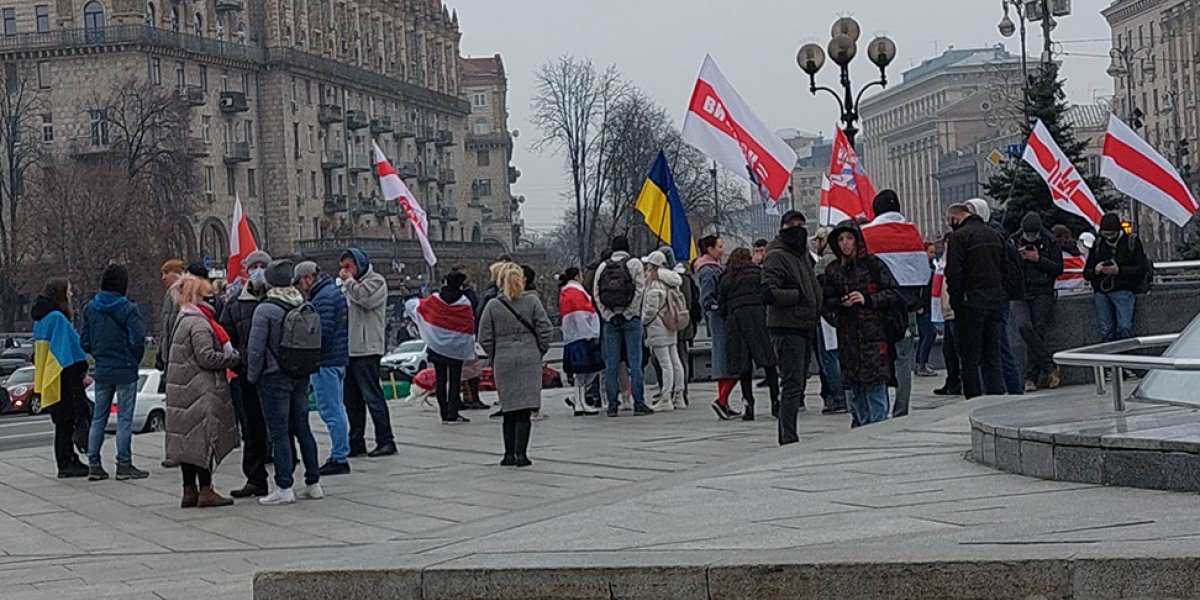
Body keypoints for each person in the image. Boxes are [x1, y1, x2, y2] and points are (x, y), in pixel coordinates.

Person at [247, 259, 323, 506]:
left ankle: (284, 486)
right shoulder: (302, 302)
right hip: (300, 374)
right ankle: (313, 483)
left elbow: (256, 349)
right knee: (303, 429)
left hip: (273, 376)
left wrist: (252, 376)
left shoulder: (265, 309)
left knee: (279, 432)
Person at [164, 276, 241, 508]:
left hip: (183, 390)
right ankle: (206, 489)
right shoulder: (199, 323)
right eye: (209, 296)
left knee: (187, 441)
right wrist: (233, 358)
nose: (214, 301)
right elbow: (206, 356)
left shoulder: (182, 318)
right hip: (200, 388)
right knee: (203, 440)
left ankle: (189, 490)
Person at [821, 222, 902, 426]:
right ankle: (861, 429)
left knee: (875, 390)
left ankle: (880, 431)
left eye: (849, 238)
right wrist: (840, 306)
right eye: (840, 239)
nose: (845, 243)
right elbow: (825, 302)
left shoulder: (872, 264)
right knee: (856, 393)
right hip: (848, 337)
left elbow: (893, 292)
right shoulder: (833, 270)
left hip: (873, 336)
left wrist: (867, 299)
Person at [478, 263, 554, 467]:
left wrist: (495, 354)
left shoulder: (493, 306)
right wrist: (538, 349)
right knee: (525, 409)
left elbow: (484, 336)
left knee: (509, 408)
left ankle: (508, 454)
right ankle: (522, 454)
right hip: (529, 357)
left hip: (503, 358)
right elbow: (546, 329)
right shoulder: (532, 302)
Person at [865, 190, 930, 419]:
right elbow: (924, 270)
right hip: (907, 307)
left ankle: (880, 406)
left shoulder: (867, 233)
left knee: (879, 356)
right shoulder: (912, 231)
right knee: (904, 359)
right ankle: (901, 408)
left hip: (878, 307)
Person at [81, 264, 148, 481]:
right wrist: (132, 358)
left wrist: (99, 354)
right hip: (125, 368)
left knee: (99, 418)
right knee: (124, 419)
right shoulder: (128, 309)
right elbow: (138, 339)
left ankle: (94, 463)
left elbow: (85, 342)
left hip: (102, 368)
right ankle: (124, 464)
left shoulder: (90, 308)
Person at [763, 210, 822, 445]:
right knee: (791, 383)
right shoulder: (776, 255)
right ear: (783, 227)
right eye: (792, 225)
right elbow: (768, 292)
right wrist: (798, 297)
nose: (798, 229)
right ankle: (788, 435)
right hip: (786, 326)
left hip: (805, 324)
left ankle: (789, 432)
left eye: (801, 224)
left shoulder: (802, 254)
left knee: (799, 382)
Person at [218, 250, 272, 498]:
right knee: (251, 429)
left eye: (263, 265)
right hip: (246, 375)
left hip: (274, 375)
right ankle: (255, 478)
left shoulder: (278, 297)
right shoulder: (236, 303)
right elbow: (224, 336)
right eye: (254, 266)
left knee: (282, 427)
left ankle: (285, 477)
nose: (258, 270)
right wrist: (238, 360)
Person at [945, 202, 1008, 399]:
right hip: (995, 301)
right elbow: (1006, 268)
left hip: (970, 304)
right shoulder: (994, 234)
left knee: (970, 359)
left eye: (950, 221)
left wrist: (956, 303)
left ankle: (972, 401)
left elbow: (954, 274)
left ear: (956, 217)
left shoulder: (959, 237)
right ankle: (996, 398)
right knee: (992, 356)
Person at [294, 261, 352, 475]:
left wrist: (313, 355)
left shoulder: (324, 297)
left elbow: (322, 332)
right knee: (337, 407)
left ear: (308, 278)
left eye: (301, 282)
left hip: (326, 361)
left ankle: (339, 457)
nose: (301, 287)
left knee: (330, 409)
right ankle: (341, 452)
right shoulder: (330, 292)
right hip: (336, 359)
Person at [339, 248, 397, 456]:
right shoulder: (348, 286)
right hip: (349, 349)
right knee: (351, 400)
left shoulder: (376, 281)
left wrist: (348, 283)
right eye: (343, 267)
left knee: (372, 396)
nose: (345, 271)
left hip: (367, 348)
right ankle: (356, 442)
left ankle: (386, 440)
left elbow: (365, 299)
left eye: (349, 267)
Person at [32, 279, 90, 479]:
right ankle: (66, 462)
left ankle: (68, 459)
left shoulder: (41, 319)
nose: (71, 294)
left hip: (49, 374)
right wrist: (82, 369)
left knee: (61, 423)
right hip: (63, 376)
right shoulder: (57, 318)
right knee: (66, 422)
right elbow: (69, 349)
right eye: (69, 291)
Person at [966, 198, 1024, 396]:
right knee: (994, 348)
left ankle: (1012, 389)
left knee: (1000, 347)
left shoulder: (995, 235)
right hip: (992, 297)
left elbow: (1008, 268)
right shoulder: (988, 234)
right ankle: (1004, 389)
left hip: (995, 299)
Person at [592, 236, 652, 417]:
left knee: (611, 364)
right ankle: (639, 403)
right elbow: (640, 290)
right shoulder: (634, 264)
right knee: (635, 362)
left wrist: (608, 315)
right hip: (631, 320)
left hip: (610, 321)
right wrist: (629, 313)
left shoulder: (603, 266)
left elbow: (596, 293)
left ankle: (612, 405)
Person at [719, 247, 779, 421]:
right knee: (769, 362)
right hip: (757, 319)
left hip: (736, 321)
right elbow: (768, 294)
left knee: (744, 367)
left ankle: (749, 406)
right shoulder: (758, 274)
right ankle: (775, 401)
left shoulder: (726, 278)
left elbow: (721, 304)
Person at [410, 272, 476, 425]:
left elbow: (422, 310)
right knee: (454, 381)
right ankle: (453, 413)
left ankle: (444, 413)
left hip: (436, 347)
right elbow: (468, 324)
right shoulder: (464, 301)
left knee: (440, 380)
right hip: (456, 349)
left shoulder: (435, 298)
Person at [1010, 212, 1064, 391]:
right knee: (1024, 326)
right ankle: (1050, 366)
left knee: (1038, 330)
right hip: (1020, 292)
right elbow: (1007, 267)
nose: (1030, 238)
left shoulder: (1050, 241)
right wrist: (1019, 258)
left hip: (1042, 291)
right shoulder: (1013, 240)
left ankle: (1030, 377)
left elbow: (1058, 268)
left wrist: (1038, 259)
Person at [1084, 212, 1148, 344]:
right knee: (1106, 330)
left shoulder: (1131, 242)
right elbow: (1086, 272)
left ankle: (1125, 359)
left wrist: (1119, 270)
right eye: (1105, 234)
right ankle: (1110, 359)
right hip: (1101, 292)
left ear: (1118, 231)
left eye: (1111, 234)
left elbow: (1141, 269)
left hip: (1124, 289)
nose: (1108, 237)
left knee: (1124, 328)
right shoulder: (1098, 244)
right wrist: (1096, 270)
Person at [696, 234, 740, 419]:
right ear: (710, 249)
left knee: (726, 361)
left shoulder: (713, 268)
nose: (722, 249)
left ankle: (724, 400)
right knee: (728, 360)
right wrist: (720, 306)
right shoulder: (708, 271)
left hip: (721, 318)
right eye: (720, 246)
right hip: (720, 320)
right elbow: (706, 299)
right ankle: (721, 400)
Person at [641, 251, 687, 412]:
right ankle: (679, 395)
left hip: (657, 326)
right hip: (671, 324)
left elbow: (650, 311)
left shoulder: (655, 285)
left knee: (665, 363)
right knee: (675, 361)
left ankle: (666, 397)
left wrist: (643, 322)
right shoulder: (672, 282)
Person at [810, 228, 848, 416]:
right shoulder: (843, 260)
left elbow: (817, 292)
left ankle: (838, 397)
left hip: (826, 317)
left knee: (829, 358)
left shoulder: (822, 263)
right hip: (842, 314)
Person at [559, 267, 603, 416]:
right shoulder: (576, 293)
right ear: (578, 276)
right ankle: (579, 401)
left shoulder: (566, 292)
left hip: (573, 336)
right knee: (585, 371)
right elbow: (582, 314)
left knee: (582, 372)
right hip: (582, 335)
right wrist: (591, 332)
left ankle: (579, 401)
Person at [934, 236, 962, 396]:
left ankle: (959, 381)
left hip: (954, 310)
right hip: (945, 310)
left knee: (957, 349)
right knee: (948, 350)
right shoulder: (944, 260)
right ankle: (953, 381)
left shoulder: (955, 259)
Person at [914, 242, 939, 378]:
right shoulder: (922, 269)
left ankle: (921, 362)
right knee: (930, 333)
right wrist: (918, 305)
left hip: (929, 306)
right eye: (931, 252)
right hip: (923, 307)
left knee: (925, 335)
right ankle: (922, 364)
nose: (933, 255)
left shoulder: (931, 267)